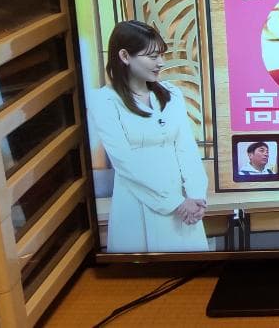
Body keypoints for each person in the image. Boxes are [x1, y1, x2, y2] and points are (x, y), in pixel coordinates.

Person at [87, 20, 210, 252]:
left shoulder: (172, 94)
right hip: (137, 201)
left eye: (161, 55)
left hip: (185, 204)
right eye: (153, 57)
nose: (160, 63)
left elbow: (186, 148)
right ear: (125, 56)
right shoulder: (103, 100)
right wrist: (175, 202)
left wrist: (196, 195)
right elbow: (125, 162)